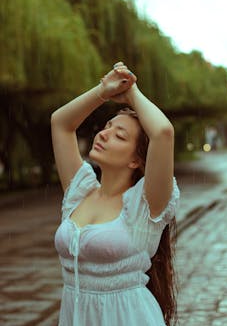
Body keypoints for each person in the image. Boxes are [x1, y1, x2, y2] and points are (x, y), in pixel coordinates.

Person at [51, 62, 180, 326]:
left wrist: (131, 91)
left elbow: (163, 133)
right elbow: (61, 123)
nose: (104, 134)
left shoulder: (145, 206)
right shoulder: (80, 192)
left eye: (119, 136)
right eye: (107, 127)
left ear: (136, 161)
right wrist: (103, 91)